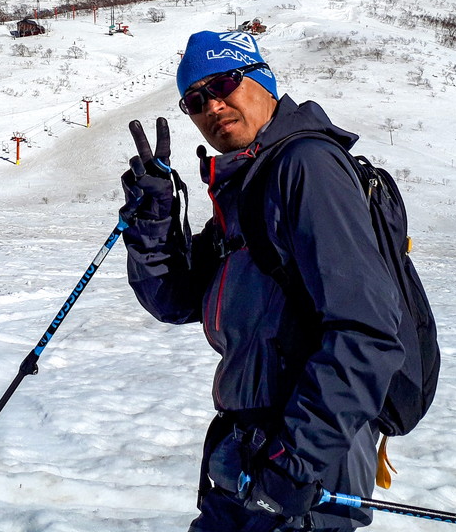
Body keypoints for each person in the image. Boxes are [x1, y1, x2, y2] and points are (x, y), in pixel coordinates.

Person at [121, 30, 405, 531]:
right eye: (195, 99)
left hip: (307, 461)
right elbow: (175, 301)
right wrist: (156, 221)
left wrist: (295, 459)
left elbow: (367, 332)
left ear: (262, 79)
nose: (212, 104)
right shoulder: (248, 185)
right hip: (247, 449)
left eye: (224, 82)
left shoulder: (305, 166)